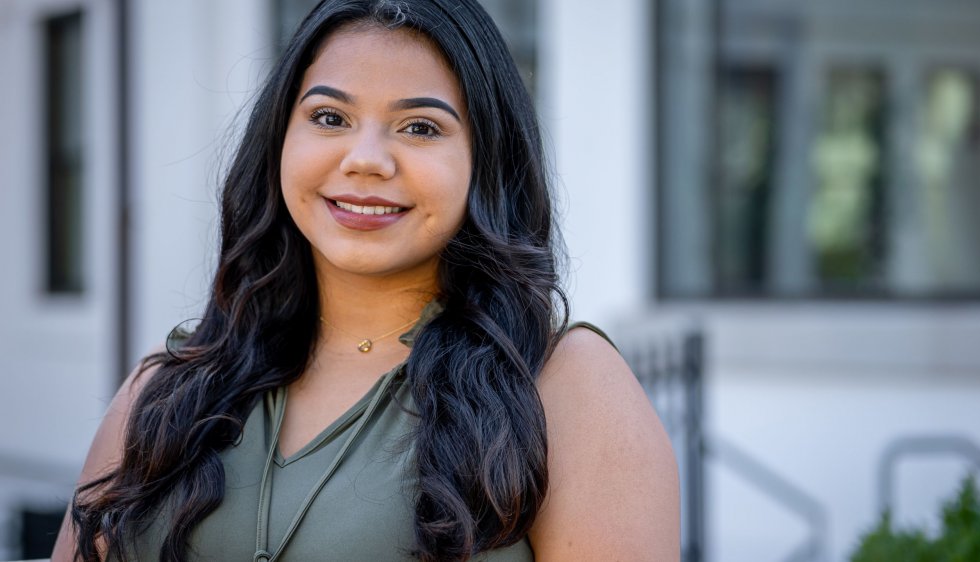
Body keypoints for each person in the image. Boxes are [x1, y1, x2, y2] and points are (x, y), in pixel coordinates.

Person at [52, 0, 679, 560]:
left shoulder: (563, 385)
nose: (365, 160)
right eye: (329, 117)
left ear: (485, 162)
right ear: (279, 140)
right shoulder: (169, 388)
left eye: (420, 127)